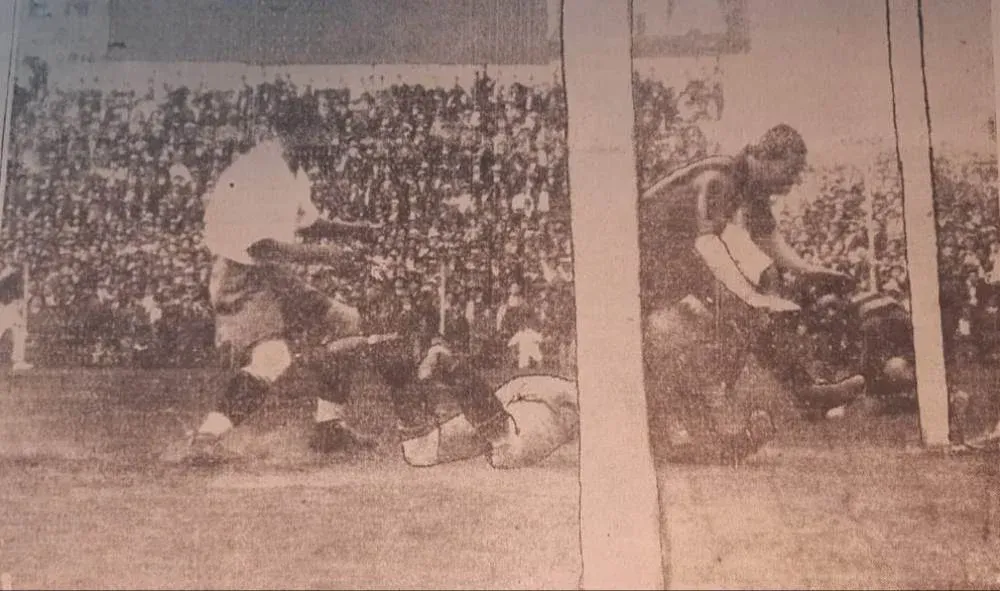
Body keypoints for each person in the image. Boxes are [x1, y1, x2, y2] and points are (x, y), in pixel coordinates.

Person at [638, 123, 865, 465]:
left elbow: (767, 238)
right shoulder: (719, 178)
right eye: (790, 171)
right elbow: (707, 243)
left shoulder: (750, 183)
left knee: (742, 312)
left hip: (671, 258)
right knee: (735, 310)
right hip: (642, 257)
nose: (792, 181)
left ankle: (799, 393)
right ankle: (799, 394)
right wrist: (746, 295)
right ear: (767, 158)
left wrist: (808, 270)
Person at [162, 129, 393, 465]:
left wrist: (356, 230)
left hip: (273, 274)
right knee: (272, 358)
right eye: (316, 137)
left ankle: (329, 426)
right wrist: (328, 255)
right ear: (291, 135)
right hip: (242, 276)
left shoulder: (293, 171)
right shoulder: (259, 173)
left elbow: (306, 222)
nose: (324, 145)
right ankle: (205, 439)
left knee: (347, 323)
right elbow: (261, 247)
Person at [399, 339, 578, 469]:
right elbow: (508, 392)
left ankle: (448, 366)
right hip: (512, 432)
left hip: (519, 436)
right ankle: (442, 370)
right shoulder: (557, 386)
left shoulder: (564, 390)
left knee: (504, 436)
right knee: (420, 451)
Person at [0, 265, 32, 371]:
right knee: (19, 330)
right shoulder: (7, 274)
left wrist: (19, 299)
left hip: (7, 306)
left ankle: (18, 361)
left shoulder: (11, 273)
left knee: (20, 331)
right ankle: (18, 361)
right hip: (4, 306)